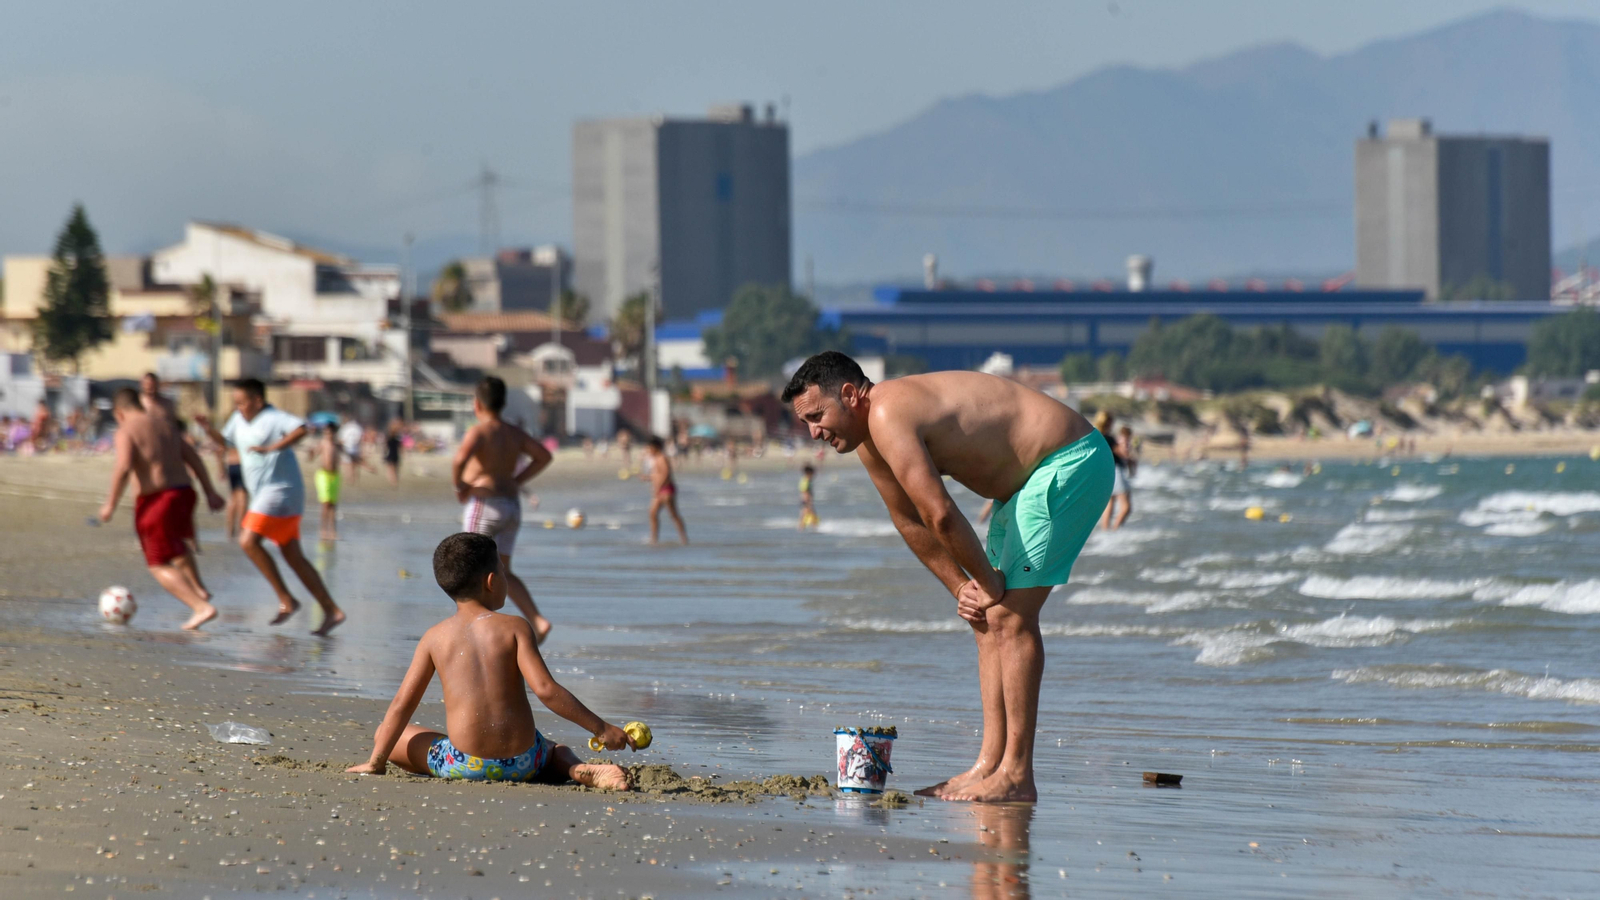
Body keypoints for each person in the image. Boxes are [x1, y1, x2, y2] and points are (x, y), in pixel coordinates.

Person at [783, 351, 1112, 803]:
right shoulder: (868, 439)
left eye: (817, 416)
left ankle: (1017, 773)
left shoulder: (887, 412)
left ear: (850, 394)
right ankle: (989, 765)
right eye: (806, 423)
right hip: (1021, 487)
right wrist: (963, 587)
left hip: (1068, 460)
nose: (814, 432)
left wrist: (988, 583)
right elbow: (908, 521)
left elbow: (938, 512)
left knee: (1010, 616)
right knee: (985, 618)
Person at [345, 533, 632, 788]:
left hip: (462, 765)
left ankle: (387, 758)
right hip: (524, 763)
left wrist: (376, 761)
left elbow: (403, 704)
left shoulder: (434, 638)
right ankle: (575, 768)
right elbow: (546, 690)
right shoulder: (515, 627)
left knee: (386, 733)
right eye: (503, 572)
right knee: (554, 749)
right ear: (491, 581)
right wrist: (601, 729)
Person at [209, 378, 345, 635]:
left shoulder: (274, 417)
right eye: (236, 403)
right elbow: (226, 442)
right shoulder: (238, 420)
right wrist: (207, 429)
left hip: (281, 490)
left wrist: (272, 447)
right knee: (293, 556)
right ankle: (332, 610)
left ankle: (287, 599)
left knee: (248, 540)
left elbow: (302, 428)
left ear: (258, 400)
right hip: (266, 493)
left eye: (242, 403)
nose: (238, 408)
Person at [97, 388, 226, 629]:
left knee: (157, 563)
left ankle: (201, 607)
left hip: (158, 500)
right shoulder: (164, 423)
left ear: (119, 413)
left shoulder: (126, 430)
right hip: (184, 494)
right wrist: (210, 492)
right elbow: (193, 457)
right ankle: (199, 589)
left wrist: (110, 505)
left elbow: (124, 466)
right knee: (176, 546)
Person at [452, 376, 554, 642]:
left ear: (477, 404)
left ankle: (473, 629)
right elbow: (544, 455)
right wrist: (516, 480)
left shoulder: (479, 432)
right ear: (503, 403)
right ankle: (537, 620)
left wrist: (460, 487)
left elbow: (459, 460)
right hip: (511, 507)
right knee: (503, 570)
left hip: (485, 504)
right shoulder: (514, 432)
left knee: (469, 567)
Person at [1093, 412, 1134, 531]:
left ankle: (1106, 533)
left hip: (1104, 473)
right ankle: (1116, 530)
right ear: (1107, 423)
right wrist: (1127, 448)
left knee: (1109, 504)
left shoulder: (1095, 437)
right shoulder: (1109, 438)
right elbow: (1122, 453)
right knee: (1126, 507)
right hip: (1116, 472)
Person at [644, 436, 688, 545]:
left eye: (650, 448)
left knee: (673, 514)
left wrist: (658, 488)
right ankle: (654, 538)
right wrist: (648, 478)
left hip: (666, 490)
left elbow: (666, 474)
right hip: (659, 490)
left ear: (655, 447)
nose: (649, 450)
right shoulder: (655, 459)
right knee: (652, 513)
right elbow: (657, 475)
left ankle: (683, 538)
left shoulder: (662, 458)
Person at [314, 425, 344, 542]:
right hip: (324, 476)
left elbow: (348, 455)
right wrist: (311, 453)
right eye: (326, 433)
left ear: (334, 433)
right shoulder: (322, 443)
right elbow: (313, 455)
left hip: (334, 476)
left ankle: (333, 531)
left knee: (333, 505)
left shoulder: (337, 445)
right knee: (325, 504)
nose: (328, 435)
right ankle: (323, 530)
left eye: (330, 433)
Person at [337, 418, 371, 484]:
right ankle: (354, 478)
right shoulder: (358, 428)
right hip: (355, 449)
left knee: (348, 464)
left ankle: (349, 478)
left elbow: (341, 439)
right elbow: (361, 439)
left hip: (347, 448)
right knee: (355, 464)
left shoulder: (345, 428)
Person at [798, 463, 819, 530]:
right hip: (806, 500)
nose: (813, 475)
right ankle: (814, 528)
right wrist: (809, 503)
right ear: (809, 473)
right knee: (810, 514)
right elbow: (805, 492)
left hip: (804, 500)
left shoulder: (805, 480)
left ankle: (802, 527)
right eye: (812, 474)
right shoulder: (806, 481)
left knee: (804, 515)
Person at [383, 419, 404, 486]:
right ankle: (394, 481)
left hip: (391, 453)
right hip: (395, 454)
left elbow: (385, 446)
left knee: (391, 469)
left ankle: (392, 481)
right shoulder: (397, 436)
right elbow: (400, 446)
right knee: (395, 469)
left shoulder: (389, 436)